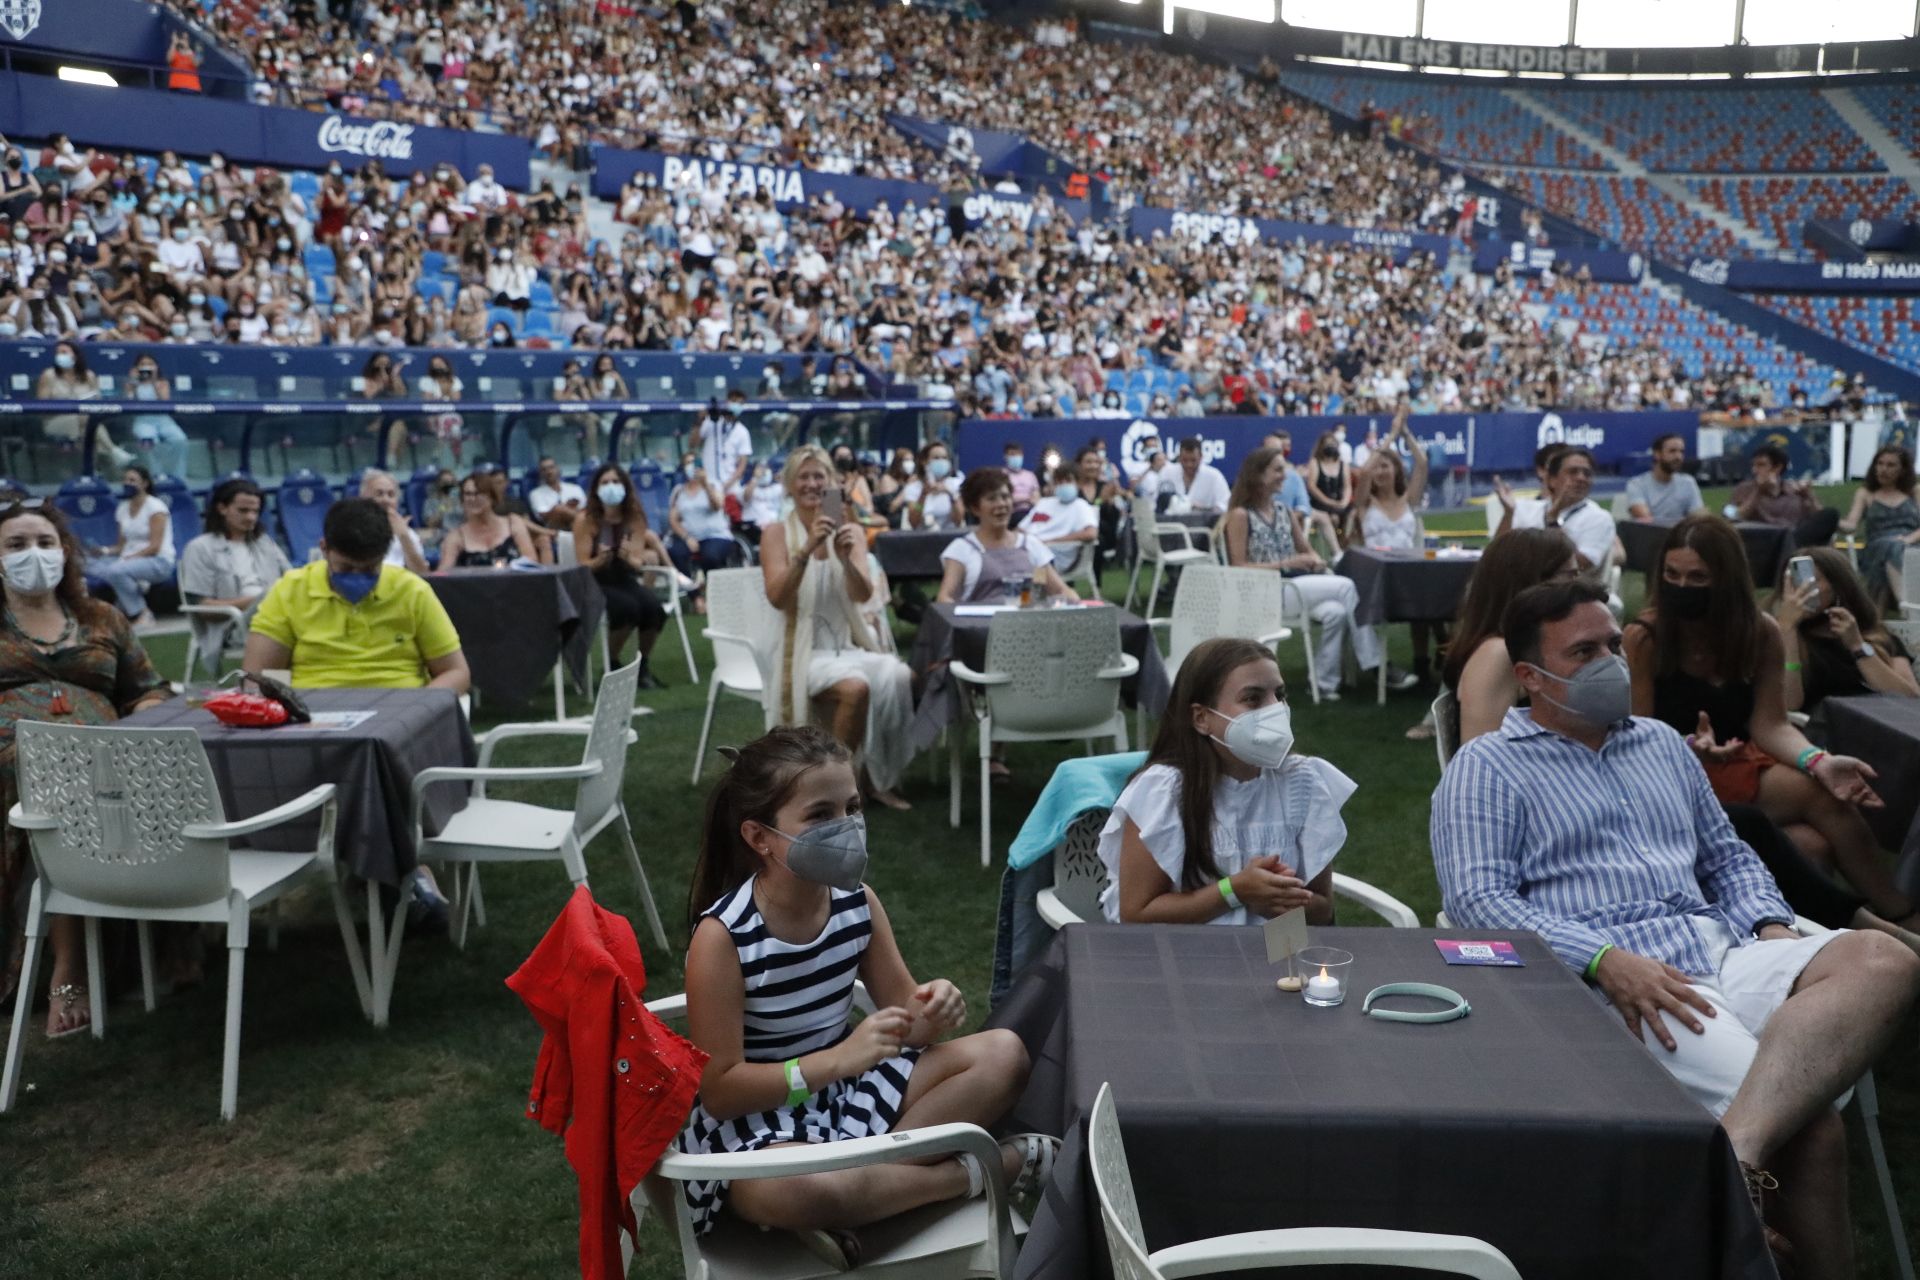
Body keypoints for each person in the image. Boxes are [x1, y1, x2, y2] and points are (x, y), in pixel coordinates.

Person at [1433, 576, 1920, 1274]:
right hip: (1630, 984)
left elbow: (1727, 856)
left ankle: (1737, 1154)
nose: (1611, 663)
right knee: (1809, 1129)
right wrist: (1602, 959)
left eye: (1612, 644)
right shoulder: (1488, 768)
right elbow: (1479, 900)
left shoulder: (1660, 744)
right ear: (1529, 678)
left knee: (1885, 959)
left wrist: (1771, 926)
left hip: (1724, 946)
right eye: (1584, 653)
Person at [674, 726, 1048, 1263]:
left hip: (845, 1096)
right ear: (759, 837)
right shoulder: (723, 936)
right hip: (758, 1124)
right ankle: (974, 1175)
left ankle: (856, 1202)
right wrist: (833, 1062)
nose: (846, 827)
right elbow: (720, 1091)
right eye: (820, 815)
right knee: (787, 1190)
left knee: (1004, 1054)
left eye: (852, 807)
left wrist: (933, 1010)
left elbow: (906, 1023)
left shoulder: (857, 903)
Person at [1623, 514, 1920, 935]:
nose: (1682, 588)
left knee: (1817, 825)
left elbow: (1770, 724)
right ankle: (1894, 921)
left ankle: (1875, 923)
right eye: (1672, 574)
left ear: (1725, 579)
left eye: (1697, 577)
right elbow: (1637, 734)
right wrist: (1688, 744)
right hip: (1669, 774)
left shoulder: (1758, 631)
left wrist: (1818, 759)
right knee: (1811, 832)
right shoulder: (1646, 636)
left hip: (1737, 763)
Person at [0, 503, 172, 1036]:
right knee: (50, 773)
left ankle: (172, 936)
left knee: (118, 771)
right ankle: (69, 970)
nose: (34, 554)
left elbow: (149, 689)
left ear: (65, 551)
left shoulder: (102, 618)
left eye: (45, 542)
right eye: (16, 544)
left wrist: (137, 723)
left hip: (104, 753)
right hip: (14, 759)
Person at [1100, 637, 1352, 925]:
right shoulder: (1165, 792)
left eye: (1279, 695)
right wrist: (1234, 892)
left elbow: (1323, 909)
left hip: (1279, 962)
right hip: (1187, 960)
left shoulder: (1301, 781)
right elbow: (1137, 913)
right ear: (1202, 718)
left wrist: (1284, 900)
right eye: (1253, 699)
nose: (1275, 710)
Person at [761, 447, 916, 810]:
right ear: (789, 485)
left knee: (899, 676)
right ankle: (833, 788)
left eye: (820, 477)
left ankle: (878, 777)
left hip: (843, 645)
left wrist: (847, 560)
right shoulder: (777, 534)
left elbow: (862, 596)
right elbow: (777, 598)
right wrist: (809, 547)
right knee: (856, 688)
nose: (813, 484)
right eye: (804, 476)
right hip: (799, 651)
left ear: (833, 483)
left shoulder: (850, 530)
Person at [1222, 447, 1409, 701]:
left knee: (1337, 612)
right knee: (1345, 587)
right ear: (1258, 475)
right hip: (1264, 594)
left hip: (1295, 588)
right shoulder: (1240, 515)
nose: (1283, 475)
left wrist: (1315, 562)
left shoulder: (1283, 511)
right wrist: (1289, 562)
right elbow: (1238, 567)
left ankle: (1323, 684)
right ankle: (1377, 665)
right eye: (1277, 470)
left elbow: (1308, 552)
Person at [244, 498, 470, 693]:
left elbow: (456, 672)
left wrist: (419, 707)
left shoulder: (412, 591)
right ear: (324, 549)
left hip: (401, 715)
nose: (357, 576)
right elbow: (259, 676)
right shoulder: (290, 591)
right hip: (313, 714)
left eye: (369, 569)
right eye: (346, 568)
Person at [1441, 528, 1580, 744]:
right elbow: (1481, 758)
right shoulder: (1497, 656)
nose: (1578, 587)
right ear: (1530, 582)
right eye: (1569, 577)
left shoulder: (1524, 645)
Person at [1348, 408, 1440, 683]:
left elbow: (1422, 463)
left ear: (1396, 468)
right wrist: (1389, 437)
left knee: (1435, 595)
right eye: (1377, 466)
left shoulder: (1407, 499)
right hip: (1376, 573)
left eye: (1385, 465)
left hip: (1408, 569)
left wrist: (1405, 432)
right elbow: (1364, 470)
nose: (1379, 471)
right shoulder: (1366, 503)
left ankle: (1424, 663)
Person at [1773, 546, 1918, 715]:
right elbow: (1789, 704)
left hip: (1883, 725)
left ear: (1838, 586)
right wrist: (1788, 630)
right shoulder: (1778, 636)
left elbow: (1910, 698)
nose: (1802, 588)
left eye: (1812, 580)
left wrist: (1858, 647)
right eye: (1794, 581)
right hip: (1825, 731)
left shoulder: (1875, 635)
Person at [177, 476, 291, 673]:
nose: (251, 517)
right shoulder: (200, 548)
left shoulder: (265, 543)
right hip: (232, 627)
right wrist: (258, 600)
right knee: (279, 611)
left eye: (255, 511)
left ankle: (290, 688)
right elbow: (203, 609)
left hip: (276, 614)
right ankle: (278, 688)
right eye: (243, 510)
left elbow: (292, 580)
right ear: (222, 508)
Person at [573, 465, 669, 690]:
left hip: (623, 575)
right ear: (596, 489)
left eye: (616, 482)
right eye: (605, 483)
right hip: (596, 579)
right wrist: (599, 560)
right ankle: (612, 662)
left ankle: (643, 665)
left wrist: (628, 557)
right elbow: (582, 564)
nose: (611, 487)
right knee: (626, 608)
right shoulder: (585, 520)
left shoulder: (634, 518)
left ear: (625, 487)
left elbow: (637, 562)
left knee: (653, 608)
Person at [936, 469, 1077, 606]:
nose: (1001, 504)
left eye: (1005, 497)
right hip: (979, 627)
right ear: (975, 508)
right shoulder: (962, 550)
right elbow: (945, 597)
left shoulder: (1031, 546)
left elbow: (1057, 590)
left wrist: (1074, 602)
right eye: (992, 499)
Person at [1496, 445, 1616, 572]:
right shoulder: (1527, 508)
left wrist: (1553, 522)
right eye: (1573, 472)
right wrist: (1509, 514)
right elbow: (1497, 554)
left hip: (1564, 588)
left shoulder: (1598, 518)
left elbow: (1581, 565)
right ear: (1552, 480)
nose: (1581, 478)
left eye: (1587, 474)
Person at [86, 464, 174, 627]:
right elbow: (120, 546)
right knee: (84, 562)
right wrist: (104, 550)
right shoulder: (122, 508)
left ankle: (142, 612)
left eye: (132, 480)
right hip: (128, 560)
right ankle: (134, 587)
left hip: (157, 561)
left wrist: (129, 560)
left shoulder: (156, 507)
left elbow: (155, 546)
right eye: (125, 480)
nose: (127, 483)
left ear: (144, 484)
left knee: (115, 570)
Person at [1837, 445, 1918, 607]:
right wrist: (1825, 518)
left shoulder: (1914, 492)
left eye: (1891, 465)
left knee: (1895, 548)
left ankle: (1881, 614)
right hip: (1876, 546)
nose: (1883, 469)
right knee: (1891, 547)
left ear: (1902, 470)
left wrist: (1908, 539)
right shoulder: (1866, 493)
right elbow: (1851, 525)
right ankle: (1905, 602)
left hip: (1913, 543)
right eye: (1880, 464)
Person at [35, 341, 128, 468]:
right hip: (55, 421)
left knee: (87, 432)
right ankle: (112, 451)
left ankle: (91, 472)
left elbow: (98, 400)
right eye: (57, 353)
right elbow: (42, 406)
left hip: (85, 421)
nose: (59, 355)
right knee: (89, 422)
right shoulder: (49, 375)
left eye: (64, 352)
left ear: (75, 356)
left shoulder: (89, 376)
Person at [1732, 444, 1839, 550]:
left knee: (1831, 514)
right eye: (1753, 465)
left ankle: (1791, 549)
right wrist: (1758, 492)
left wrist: (1809, 497)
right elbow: (1734, 517)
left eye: (1761, 465)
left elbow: (1814, 520)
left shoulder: (1794, 491)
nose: (1754, 470)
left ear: (1777, 468)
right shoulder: (1744, 489)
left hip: (1794, 539)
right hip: (1763, 542)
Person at [668, 455, 738, 607]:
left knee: (710, 556)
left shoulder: (714, 485)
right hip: (691, 537)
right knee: (675, 553)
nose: (691, 466)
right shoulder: (679, 491)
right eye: (687, 463)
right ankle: (695, 597)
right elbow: (673, 519)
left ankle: (715, 595)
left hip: (716, 536)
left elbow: (717, 505)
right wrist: (686, 537)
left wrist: (705, 484)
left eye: (694, 463)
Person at [439, 472, 539, 569]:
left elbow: (531, 562)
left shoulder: (513, 523)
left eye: (479, 493)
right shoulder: (456, 537)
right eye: (468, 494)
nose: (473, 498)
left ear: (491, 496)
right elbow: (442, 574)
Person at [124, 353, 190, 481]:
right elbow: (129, 401)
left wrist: (154, 382)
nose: (146, 367)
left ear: (156, 367)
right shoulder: (131, 383)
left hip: (163, 419)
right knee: (149, 441)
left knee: (180, 439)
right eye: (143, 364)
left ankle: (178, 477)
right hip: (143, 420)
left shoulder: (162, 382)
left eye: (150, 364)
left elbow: (164, 401)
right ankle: (155, 477)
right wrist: (133, 382)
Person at [1023, 464, 1098, 574]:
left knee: (1033, 559)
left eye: (1068, 480)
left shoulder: (1081, 506)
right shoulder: (1044, 503)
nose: (1063, 484)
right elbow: (1020, 529)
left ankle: (1039, 587)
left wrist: (1050, 541)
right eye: (1059, 481)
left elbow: (1091, 534)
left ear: (1078, 484)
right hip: (1028, 550)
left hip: (1054, 558)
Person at [358, 469, 431, 575]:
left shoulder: (408, 533)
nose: (385, 500)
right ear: (363, 499)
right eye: (379, 494)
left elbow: (423, 575)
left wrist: (404, 537)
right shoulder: (352, 530)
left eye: (391, 495)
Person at [1625, 433, 1705, 521]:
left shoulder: (1688, 482)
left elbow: (1698, 518)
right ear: (1657, 454)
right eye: (1672, 451)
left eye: (1681, 452)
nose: (1678, 456)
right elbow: (1645, 519)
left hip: (1680, 533)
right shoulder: (1637, 484)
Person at [693, 398, 754, 493]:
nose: (727, 416)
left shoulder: (742, 432)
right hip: (708, 482)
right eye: (725, 413)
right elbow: (693, 444)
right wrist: (699, 421)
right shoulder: (710, 423)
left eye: (730, 414)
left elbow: (742, 464)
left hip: (730, 484)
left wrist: (727, 485)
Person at [900, 441, 962, 530]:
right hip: (922, 539)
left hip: (949, 537)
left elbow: (958, 521)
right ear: (924, 461)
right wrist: (923, 496)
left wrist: (951, 494)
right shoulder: (913, 488)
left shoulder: (955, 484)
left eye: (944, 458)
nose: (941, 461)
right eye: (936, 458)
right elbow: (914, 522)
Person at [1166, 437, 1230, 515]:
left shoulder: (1214, 476)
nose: (1189, 465)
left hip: (1203, 525)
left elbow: (1225, 506)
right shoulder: (1167, 473)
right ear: (1179, 458)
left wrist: (1201, 509)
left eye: (1193, 460)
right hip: (1171, 524)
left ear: (1201, 457)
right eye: (1185, 460)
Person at [1306, 431, 1352, 531]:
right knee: (1333, 518)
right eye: (1327, 443)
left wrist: (1344, 501)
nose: (1330, 446)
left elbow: (1347, 486)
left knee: (1351, 515)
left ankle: (1345, 542)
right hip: (1320, 503)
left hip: (1339, 502)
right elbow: (1312, 487)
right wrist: (1329, 502)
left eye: (1332, 443)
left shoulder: (1343, 465)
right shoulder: (1314, 463)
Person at [527, 455, 587, 531]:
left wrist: (565, 509)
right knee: (558, 509)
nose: (549, 472)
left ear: (558, 468)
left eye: (551, 467)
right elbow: (544, 516)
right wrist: (563, 509)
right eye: (544, 469)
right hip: (554, 528)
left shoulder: (575, 488)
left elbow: (586, 510)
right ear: (540, 473)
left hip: (576, 524)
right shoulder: (535, 494)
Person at [1000, 441, 1039, 517]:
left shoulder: (1030, 475)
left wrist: (1032, 501)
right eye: (1012, 454)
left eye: (1018, 454)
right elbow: (1004, 498)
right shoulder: (1001, 475)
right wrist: (1026, 499)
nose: (1016, 457)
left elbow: (1036, 496)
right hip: (1011, 513)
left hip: (1031, 512)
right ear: (1005, 457)